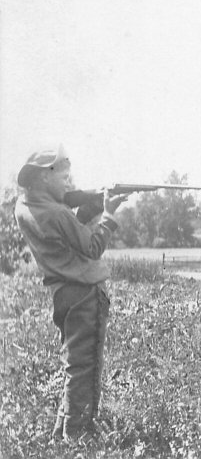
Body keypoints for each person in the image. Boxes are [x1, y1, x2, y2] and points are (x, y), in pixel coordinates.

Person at [14, 145, 128, 441]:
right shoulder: (57, 212)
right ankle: (79, 438)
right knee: (86, 367)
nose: (68, 182)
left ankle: (64, 430)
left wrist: (94, 204)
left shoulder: (25, 207)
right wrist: (110, 214)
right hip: (85, 294)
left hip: (62, 294)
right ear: (43, 179)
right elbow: (91, 246)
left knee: (74, 365)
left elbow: (67, 229)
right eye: (63, 178)